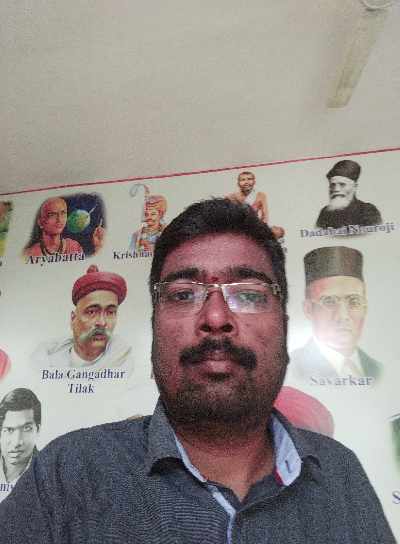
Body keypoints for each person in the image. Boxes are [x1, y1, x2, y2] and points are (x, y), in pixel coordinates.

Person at [0, 199, 395, 543]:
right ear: (154, 326)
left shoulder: (341, 474)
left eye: (248, 294)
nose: (216, 317)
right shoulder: (67, 473)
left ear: (285, 325)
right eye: (184, 294)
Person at [289, 246, 382, 382]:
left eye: (354, 301)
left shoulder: (377, 369)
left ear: (365, 307)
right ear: (308, 309)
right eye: (329, 302)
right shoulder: (292, 368)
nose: (343, 316)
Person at [32, 265, 134, 374]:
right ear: (73, 319)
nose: (102, 322)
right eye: (92, 312)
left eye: (110, 312)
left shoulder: (124, 362)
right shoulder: (45, 363)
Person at [24, 197, 104, 257]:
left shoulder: (75, 247)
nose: (59, 219)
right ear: (40, 222)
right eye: (52, 214)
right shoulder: (30, 253)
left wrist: (98, 246)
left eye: (63, 213)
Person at [0, 389, 41, 502]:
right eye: (9, 430)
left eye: (26, 428)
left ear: (37, 429)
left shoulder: (49, 476)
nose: (17, 442)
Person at [316, 159, 382, 229]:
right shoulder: (325, 213)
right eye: (332, 185)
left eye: (342, 184)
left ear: (354, 187)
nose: (336, 189)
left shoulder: (368, 211)